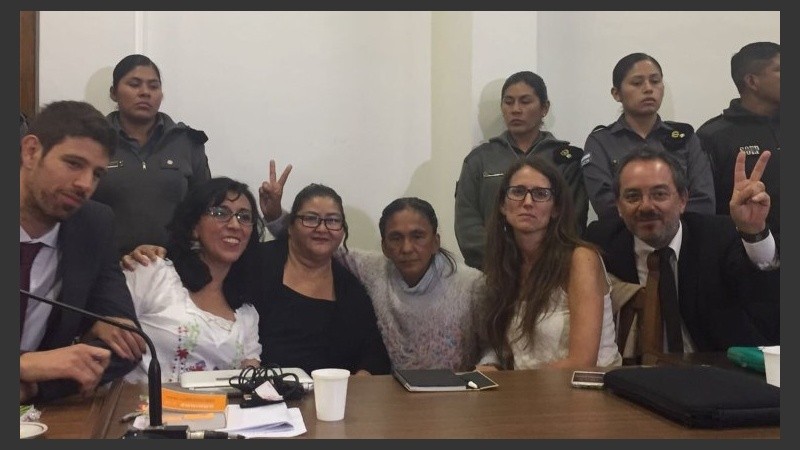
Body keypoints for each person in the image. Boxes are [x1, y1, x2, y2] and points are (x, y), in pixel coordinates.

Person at [584, 146, 779, 361]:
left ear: (683, 200)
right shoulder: (601, 244)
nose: (646, 206)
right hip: (636, 376)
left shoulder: (717, 237)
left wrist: (753, 231)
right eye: (632, 196)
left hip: (717, 369)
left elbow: (762, 288)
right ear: (619, 206)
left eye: (659, 194)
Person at [265, 194, 485, 371]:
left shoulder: (471, 284)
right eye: (396, 238)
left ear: (435, 241)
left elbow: (496, 345)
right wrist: (277, 218)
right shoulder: (373, 270)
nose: (407, 248)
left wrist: (486, 369)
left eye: (418, 236)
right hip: (394, 398)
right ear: (384, 246)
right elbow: (319, 246)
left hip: (455, 401)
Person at [19, 100, 145, 403]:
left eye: (97, 173)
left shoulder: (93, 224)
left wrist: (33, 387)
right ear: (31, 151)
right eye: (73, 164)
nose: (85, 184)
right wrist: (24, 364)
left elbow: (127, 346)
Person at [475, 158, 621, 371]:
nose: (527, 202)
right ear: (502, 206)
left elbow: (582, 362)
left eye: (540, 194)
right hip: (532, 392)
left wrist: (515, 387)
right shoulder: (506, 263)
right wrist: (491, 366)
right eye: (517, 192)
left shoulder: (581, 259)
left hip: (587, 390)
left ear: (556, 209)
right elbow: (512, 352)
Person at [122, 177, 264, 383]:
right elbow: (100, 336)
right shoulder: (152, 272)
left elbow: (250, 378)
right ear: (194, 227)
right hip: (139, 410)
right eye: (220, 213)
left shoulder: (246, 312)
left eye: (244, 217)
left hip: (216, 413)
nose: (235, 224)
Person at [455, 71, 588, 270]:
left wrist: (538, 261)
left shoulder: (565, 159)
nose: (516, 109)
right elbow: (467, 224)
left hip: (551, 271)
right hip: (491, 271)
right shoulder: (480, 159)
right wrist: (505, 261)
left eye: (525, 102)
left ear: (544, 108)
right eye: (508, 102)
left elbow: (573, 221)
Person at [253, 183, 391, 375]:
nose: (322, 228)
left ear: (342, 231)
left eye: (333, 221)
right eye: (310, 219)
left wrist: (360, 380)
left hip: (331, 398)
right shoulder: (256, 264)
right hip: (260, 391)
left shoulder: (350, 289)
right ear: (290, 226)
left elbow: (374, 354)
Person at [92, 54, 211, 257]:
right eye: (134, 84)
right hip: (107, 266)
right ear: (113, 92)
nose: (145, 92)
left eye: (153, 86)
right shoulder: (93, 140)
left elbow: (204, 209)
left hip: (174, 267)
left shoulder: (186, 142)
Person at [582, 52, 715, 220]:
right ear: (616, 93)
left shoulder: (685, 138)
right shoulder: (601, 142)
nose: (648, 89)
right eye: (637, 83)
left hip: (686, 239)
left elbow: (704, 200)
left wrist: (670, 232)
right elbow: (605, 204)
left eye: (655, 81)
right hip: (624, 239)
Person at [697, 42, 780, 242]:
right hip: (746, 254)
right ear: (752, 81)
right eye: (779, 70)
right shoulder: (713, 136)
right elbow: (706, 211)